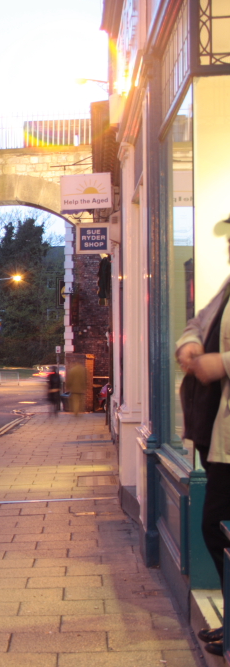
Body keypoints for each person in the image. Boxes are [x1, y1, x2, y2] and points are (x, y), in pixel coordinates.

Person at [176, 231, 230, 656]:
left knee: (217, 525)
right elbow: (197, 322)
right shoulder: (228, 288)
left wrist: (222, 363)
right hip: (216, 435)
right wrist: (190, 343)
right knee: (217, 526)